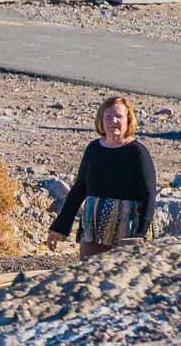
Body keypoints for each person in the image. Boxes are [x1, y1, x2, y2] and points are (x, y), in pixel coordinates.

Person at [47, 96, 157, 260]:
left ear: (128, 120)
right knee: (87, 276)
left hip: (127, 234)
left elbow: (149, 194)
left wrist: (141, 234)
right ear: (101, 120)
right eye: (108, 116)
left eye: (119, 117)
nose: (113, 121)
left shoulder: (138, 152)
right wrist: (59, 228)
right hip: (94, 231)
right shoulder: (93, 149)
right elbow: (79, 189)